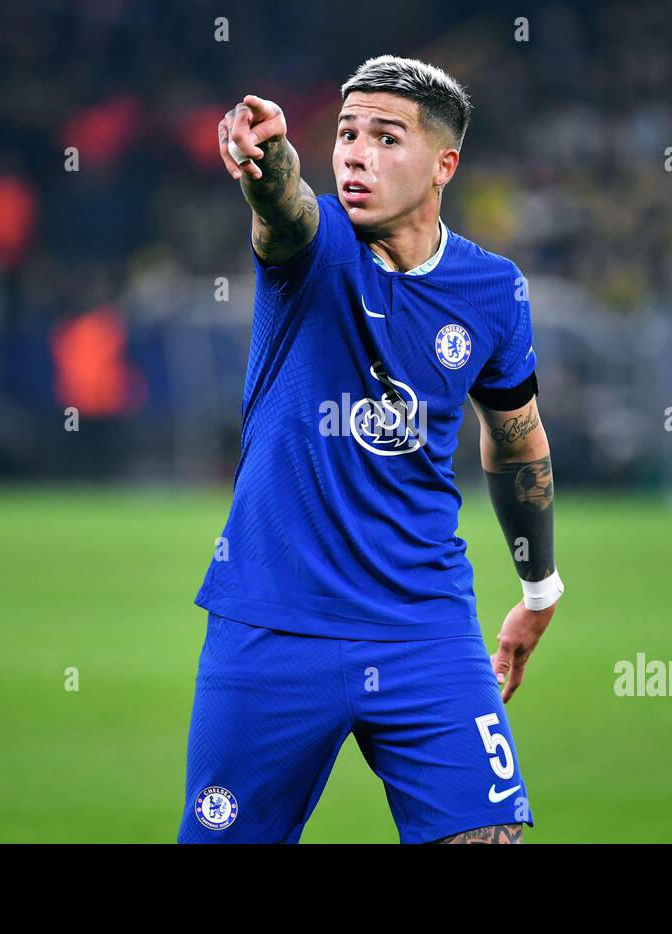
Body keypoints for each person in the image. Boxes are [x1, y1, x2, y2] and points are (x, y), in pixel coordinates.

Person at [178, 55, 562, 844]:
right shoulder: (315, 249)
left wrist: (538, 587)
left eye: (387, 138)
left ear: (443, 165)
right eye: (347, 134)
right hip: (273, 623)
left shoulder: (493, 290)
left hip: (425, 626)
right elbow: (281, 208)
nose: (356, 152)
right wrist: (267, 157)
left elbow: (517, 440)